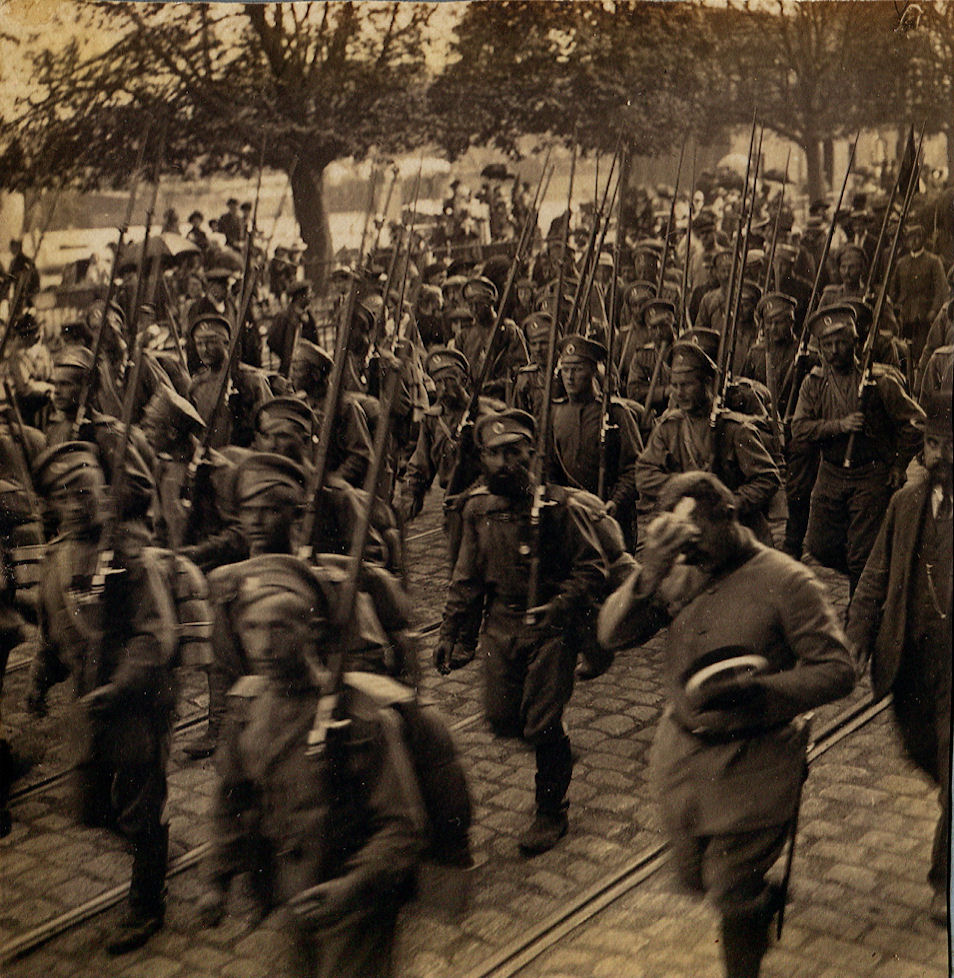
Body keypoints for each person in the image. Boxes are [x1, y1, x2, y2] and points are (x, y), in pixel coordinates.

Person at [598, 471, 855, 978]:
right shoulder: (678, 571)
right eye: (680, 540)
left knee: (729, 889)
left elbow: (838, 671)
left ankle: (744, 951)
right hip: (682, 756)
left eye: (698, 537)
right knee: (694, 877)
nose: (689, 552)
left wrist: (763, 690)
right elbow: (611, 636)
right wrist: (646, 577)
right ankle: (758, 903)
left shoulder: (787, 582)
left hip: (754, 760)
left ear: (730, 516)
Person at [197, 553, 425, 978]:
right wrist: (216, 879)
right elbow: (230, 796)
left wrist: (352, 886)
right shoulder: (246, 707)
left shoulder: (359, 717)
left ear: (313, 630)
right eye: (251, 628)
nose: (262, 645)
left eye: (279, 628)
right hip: (287, 891)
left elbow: (403, 827)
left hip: (355, 900)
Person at [27, 441, 210, 954]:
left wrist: (123, 683)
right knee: (90, 804)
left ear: (106, 496)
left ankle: (146, 902)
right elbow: (52, 629)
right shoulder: (57, 559)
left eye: (85, 491)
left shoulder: (129, 556)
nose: (76, 502)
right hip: (90, 703)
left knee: (138, 800)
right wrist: (41, 681)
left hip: (137, 700)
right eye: (66, 494)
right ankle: (149, 847)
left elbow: (157, 634)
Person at [434, 409, 607, 854]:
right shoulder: (478, 510)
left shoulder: (558, 506)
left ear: (532, 454)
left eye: (514, 452)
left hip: (551, 627)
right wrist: (453, 632)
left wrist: (561, 606)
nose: (504, 463)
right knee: (501, 717)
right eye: (494, 454)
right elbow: (467, 576)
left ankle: (551, 811)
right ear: (483, 458)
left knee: (543, 723)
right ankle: (556, 752)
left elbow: (592, 569)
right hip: (501, 626)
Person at [846, 393, 952, 928]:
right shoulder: (905, 504)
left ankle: (945, 881)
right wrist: (854, 642)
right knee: (922, 750)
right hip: (912, 660)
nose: (941, 458)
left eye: (952, 447)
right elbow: (874, 576)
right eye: (934, 444)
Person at [791, 303, 924, 593]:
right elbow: (799, 427)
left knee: (861, 555)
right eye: (827, 344)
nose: (834, 350)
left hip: (870, 474)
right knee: (819, 545)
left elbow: (915, 423)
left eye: (841, 342)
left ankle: (860, 604)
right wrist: (839, 426)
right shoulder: (813, 384)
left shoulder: (880, 380)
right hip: (830, 472)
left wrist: (899, 465)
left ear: (855, 341)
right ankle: (873, 572)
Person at [635, 334, 781, 544]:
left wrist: (731, 502)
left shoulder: (734, 429)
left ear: (708, 383)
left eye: (687, 385)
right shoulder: (669, 427)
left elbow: (768, 478)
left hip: (738, 533)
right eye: (675, 386)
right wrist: (687, 487)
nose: (679, 393)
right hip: (689, 531)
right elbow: (644, 474)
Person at [549, 334, 639, 550]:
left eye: (577, 369)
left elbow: (634, 467)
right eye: (565, 370)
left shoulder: (615, 413)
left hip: (611, 515)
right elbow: (550, 467)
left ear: (593, 371)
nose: (569, 377)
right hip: (572, 514)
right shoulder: (555, 413)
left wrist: (615, 501)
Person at [187, 312, 272, 449]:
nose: (204, 349)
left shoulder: (252, 380)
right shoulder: (197, 385)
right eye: (199, 343)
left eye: (211, 342)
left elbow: (270, 429)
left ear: (227, 343)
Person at [890, 224, 949, 364]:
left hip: (924, 316)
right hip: (904, 316)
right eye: (910, 238)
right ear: (906, 241)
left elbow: (941, 289)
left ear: (923, 239)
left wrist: (934, 311)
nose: (914, 241)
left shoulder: (933, 261)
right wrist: (894, 308)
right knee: (903, 354)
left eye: (917, 237)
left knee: (922, 353)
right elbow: (893, 289)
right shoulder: (901, 263)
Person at [1, 312, 53, 428]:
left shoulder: (42, 351)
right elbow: (24, 389)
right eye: (32, 333)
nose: (38, 336)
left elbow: (50, 375)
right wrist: (48, 388)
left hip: (42, 401)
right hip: (24, 406)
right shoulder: (16, 356)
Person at [267, 281, 318, 377]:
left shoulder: (309, 315)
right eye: (309, 293)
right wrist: (286, 357)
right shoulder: (284, 317)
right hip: (290, 369)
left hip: (309, 369)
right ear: (299, 296)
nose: (311, 296)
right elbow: (272, 341)